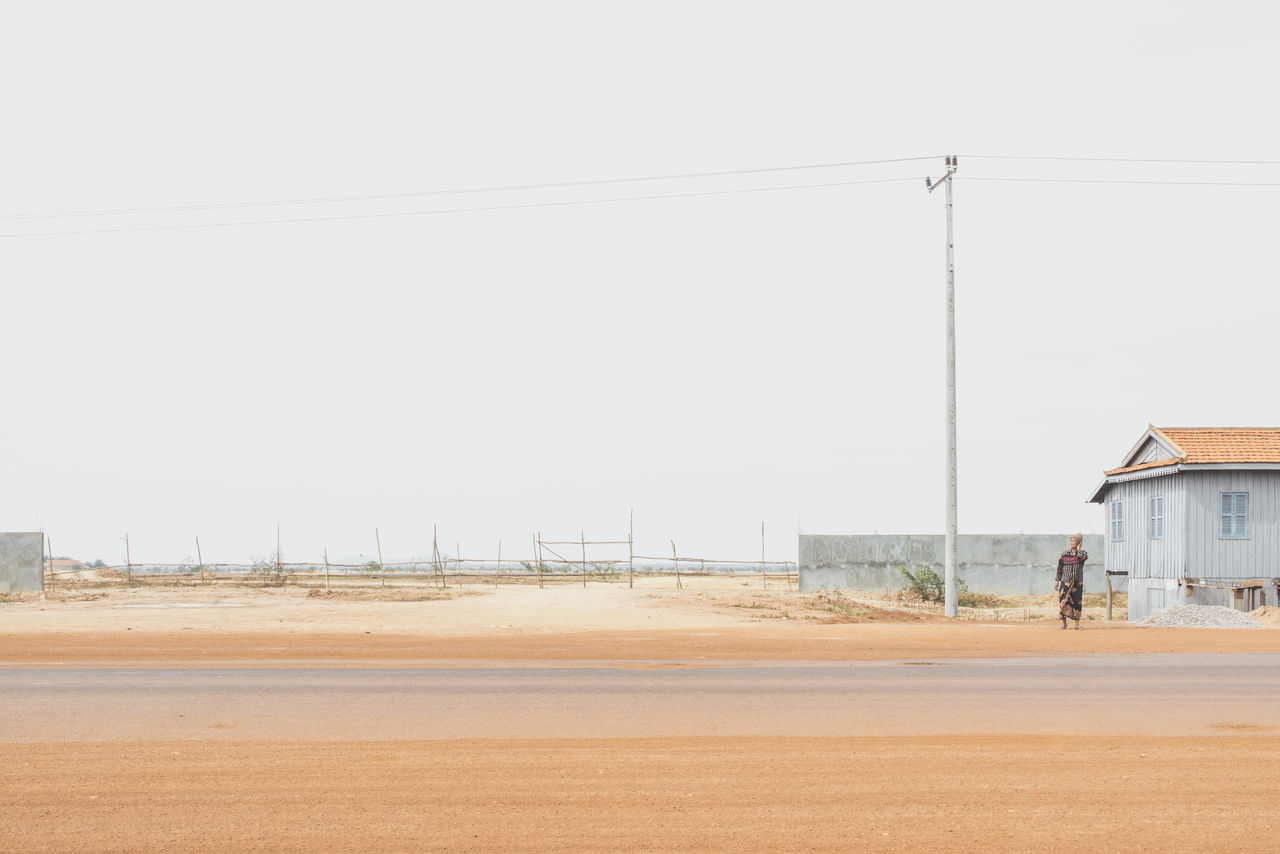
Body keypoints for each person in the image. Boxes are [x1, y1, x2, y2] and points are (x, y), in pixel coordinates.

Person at [1055, 534, 1088, 629]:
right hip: (1065, 582)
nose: (1071, 543)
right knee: (1063, 602)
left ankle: (1076, 624)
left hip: (1077, 583)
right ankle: (1064, 623)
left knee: (1077, 603)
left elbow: (1082, 558)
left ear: (1078, 542)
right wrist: (1057, 581)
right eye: (1071, 541)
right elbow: (1060, 568)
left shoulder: (1083, 553)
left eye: (1074, 541)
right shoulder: (1065, 554)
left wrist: (1078, 549)